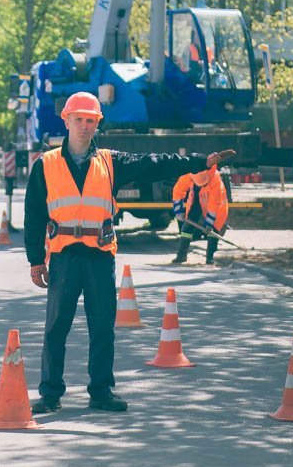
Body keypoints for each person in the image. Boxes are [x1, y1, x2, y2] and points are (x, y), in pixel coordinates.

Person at [25, 91, 233, 414]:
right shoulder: (46, 165)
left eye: (90, 120)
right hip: (64, 257)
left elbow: (155, 164)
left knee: (102, 326)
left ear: (97, 124)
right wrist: (35, 260)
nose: (84, 126)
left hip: (99, 256)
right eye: (78, 119)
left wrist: (198, 162)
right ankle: (50, 393)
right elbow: (34, 214)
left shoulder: (110, 163)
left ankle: (101, 391)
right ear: (66, 121)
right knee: (56, 328)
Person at [171, 166, 228, 265]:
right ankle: (181, 256)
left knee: (213, 228)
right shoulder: (189, 174)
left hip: (217, 206)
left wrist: (209, 224)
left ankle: (210, 258)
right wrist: (178, 210)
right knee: (188, 226)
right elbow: (178, 190)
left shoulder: (216, 181)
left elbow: (213, 204)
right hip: (196, 198)